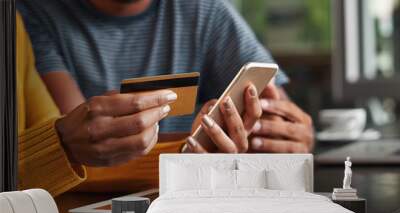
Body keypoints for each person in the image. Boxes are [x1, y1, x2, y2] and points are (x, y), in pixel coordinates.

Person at [18, 0, 314, 154]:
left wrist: (292, 136)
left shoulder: (203, 11)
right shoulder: (30, 15)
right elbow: (83, 145)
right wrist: (192, 147)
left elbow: (276, 112)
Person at [16, 11, 259, 199]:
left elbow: (56, 161)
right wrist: (64, 145)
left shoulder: (14, 26)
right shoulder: (32, 15)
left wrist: (189, 154)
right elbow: (55, 152)